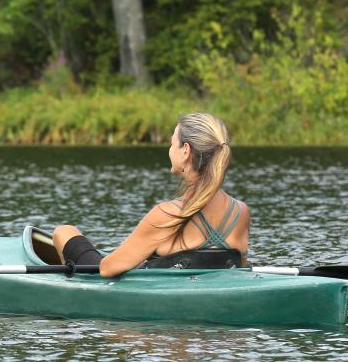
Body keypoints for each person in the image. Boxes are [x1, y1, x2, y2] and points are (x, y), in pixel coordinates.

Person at [52, 111, 249, 277]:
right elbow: (237, 267)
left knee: (64, 232)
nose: (170, 149)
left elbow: (107, 268)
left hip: (165, 303)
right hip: (206, 295)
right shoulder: (240, 212)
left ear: (186, 151)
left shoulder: (166, 214)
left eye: (173, 143)